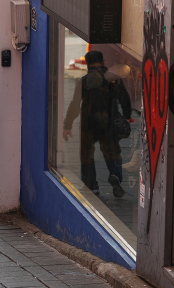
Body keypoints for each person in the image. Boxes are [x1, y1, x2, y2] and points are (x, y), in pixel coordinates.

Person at [62, 50, 132, 198]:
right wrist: (127, 115)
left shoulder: (83, 81)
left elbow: (75, 104)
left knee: (87, 154)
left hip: (89, 125)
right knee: (112, 153)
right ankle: (115, 175)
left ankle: (92, 186)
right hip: (109, 123)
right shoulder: (113, 79)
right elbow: (124, 98)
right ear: (103, 62)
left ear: (87, 64)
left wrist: (67, 125)